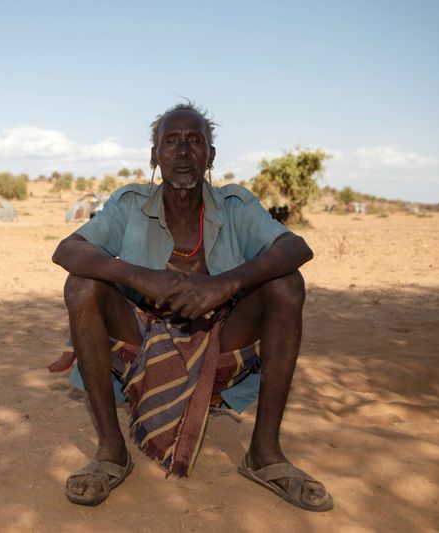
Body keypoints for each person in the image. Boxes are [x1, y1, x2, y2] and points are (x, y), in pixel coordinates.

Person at [50, 102, 333, 511]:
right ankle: (112, 451)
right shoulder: (129, 205)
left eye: (195, 141)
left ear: (210, 157)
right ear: (155, 157)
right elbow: (68, 249)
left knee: (287, 284)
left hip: (220, 342)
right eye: (172, 141)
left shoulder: (235, 206)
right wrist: (136, 276)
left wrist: (225, 284)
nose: (183, 151)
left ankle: (264, 453)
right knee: (81, 286)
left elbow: (295, 247)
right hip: (141, 345)